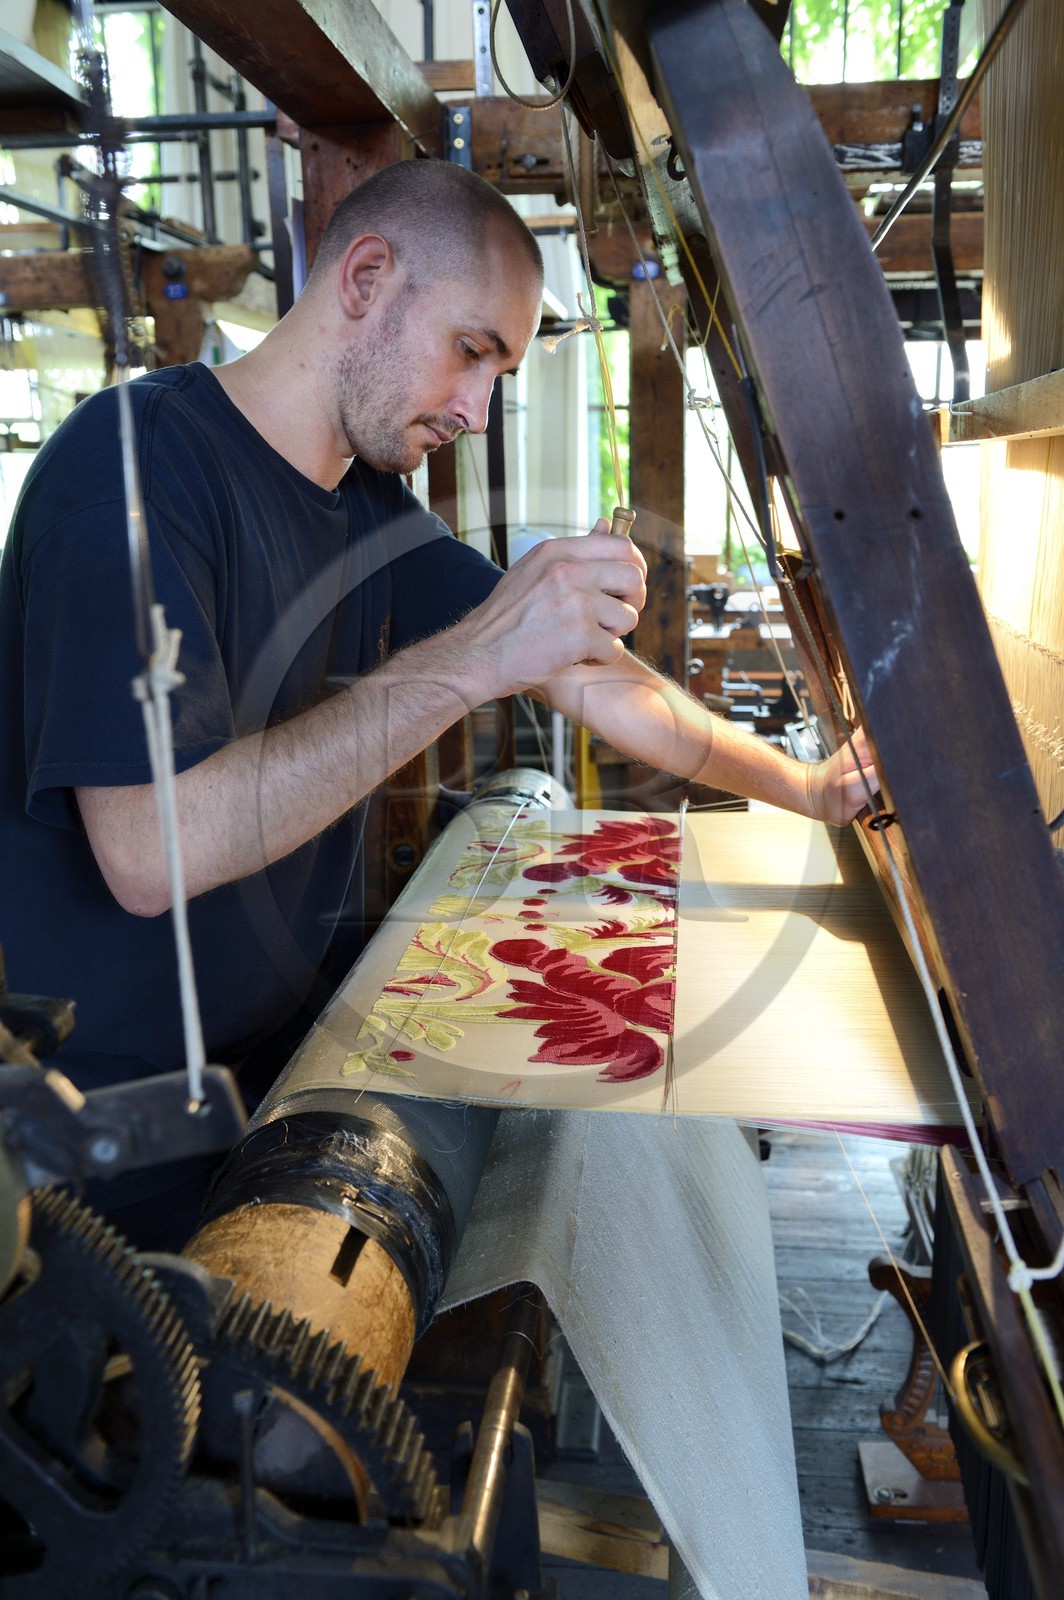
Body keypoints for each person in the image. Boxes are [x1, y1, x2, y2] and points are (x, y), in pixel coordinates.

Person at [0, 158, 876, 1110]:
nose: (475, 412)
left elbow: (590, 675)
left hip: (280, 1068)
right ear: (366, 277)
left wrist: (807, 787)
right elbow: (150, 853)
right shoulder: (132, 476)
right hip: (112, 1121)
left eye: (497, 374)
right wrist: (475, 657)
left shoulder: (364, 505)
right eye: (469, 350)